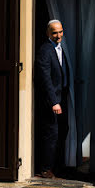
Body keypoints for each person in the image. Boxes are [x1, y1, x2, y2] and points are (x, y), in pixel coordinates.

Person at [36, 19, 69, 179]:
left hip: (62, 98)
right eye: (55, 32)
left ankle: (57, 167)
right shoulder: (45, 50)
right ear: (48, 33)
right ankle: (45, 169)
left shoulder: (61, 48)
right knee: (51, 133)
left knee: (62, 131)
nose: (58, 35)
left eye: (60, 31)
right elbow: (45, 78)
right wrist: (54, 101)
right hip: (52, 101)